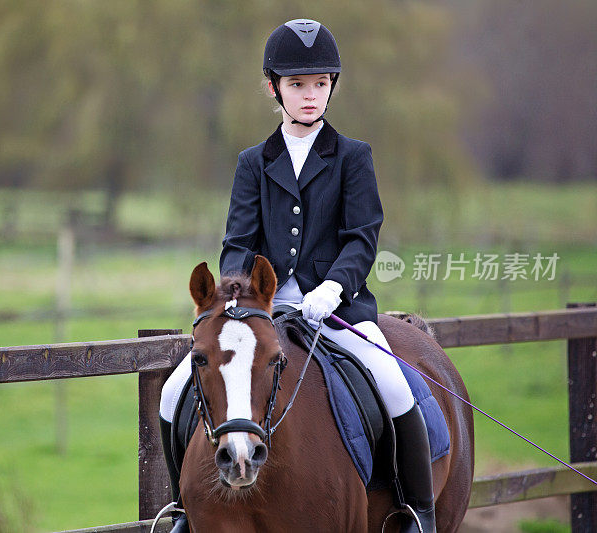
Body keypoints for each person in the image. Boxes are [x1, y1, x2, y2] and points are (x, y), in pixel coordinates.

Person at [158, 19, 435, 533]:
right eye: (298, 85)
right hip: (263, 313)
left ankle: (419, 512)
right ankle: (183, 510)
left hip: (338, 308)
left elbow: (362, 236)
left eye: (321, 84)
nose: (311, 96)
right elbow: (238, 244)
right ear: (274, 88)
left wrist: (333, 286)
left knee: (395, 387)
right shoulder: (252, 163)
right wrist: (242, 300)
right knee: (174, 392)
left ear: (332, 86)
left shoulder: (353, 156)